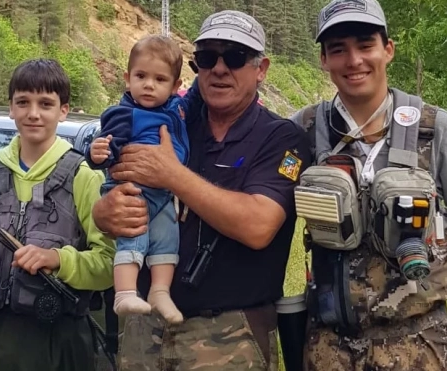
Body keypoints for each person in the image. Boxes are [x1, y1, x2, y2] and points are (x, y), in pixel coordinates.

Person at [288, 1, 447, 370]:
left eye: (366, 45)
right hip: (327, 346)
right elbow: (265, 212)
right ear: (323, 60)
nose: (354, 61)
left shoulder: (436, 129)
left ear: (388, 49)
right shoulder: (300, 130)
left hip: (420, 343)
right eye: (338, 50)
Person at [91, 10, 311, 370]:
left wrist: (172, 175)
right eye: (207, 58)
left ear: (261, 68)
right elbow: (112, 191)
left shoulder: (283, 139)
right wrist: (105, 213)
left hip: (231, 335)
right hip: (144, 329)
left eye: (235, 57)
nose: (219, 69)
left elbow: (258, 226)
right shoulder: (170, 119)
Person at [0, 58, 116, 371]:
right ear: (11, 108)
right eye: (23, 102)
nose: (33, 113)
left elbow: (109, 266)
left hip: (62, 346)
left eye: (45, 103)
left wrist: (59, 259)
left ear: (63, 110)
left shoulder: (85, 177)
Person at [85, 35, 190, 324]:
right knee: (133, 236)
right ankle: (124, 294)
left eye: (159, 79)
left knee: (167, 240)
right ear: (127, 78)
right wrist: (98, 153)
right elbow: (107, 147)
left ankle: (159, 291)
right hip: (135, 191)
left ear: (175, 86)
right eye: (141, 76)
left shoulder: (174, 111)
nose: (148, 85)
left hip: (164, 195)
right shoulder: (126, 114)